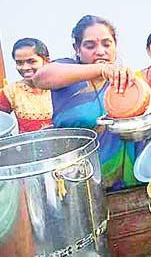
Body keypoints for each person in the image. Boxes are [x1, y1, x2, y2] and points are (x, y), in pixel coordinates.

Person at [32, 15, 139, 191]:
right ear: (77, 48)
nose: (100, 51)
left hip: (124, 183)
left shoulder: (122, 79)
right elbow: (40, 77)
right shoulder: (67, 71)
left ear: (115, 45)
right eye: (90, 46)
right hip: (77, 182)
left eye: (107, 44)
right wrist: (101, 69)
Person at [0, 38, 52, 133]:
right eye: (19, 63)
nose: (25, 68)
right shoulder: (12, 91)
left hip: (62, 144)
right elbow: (2, 121)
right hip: (28, 146)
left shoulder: (59, 87)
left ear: (46, 61)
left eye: (31, 61)